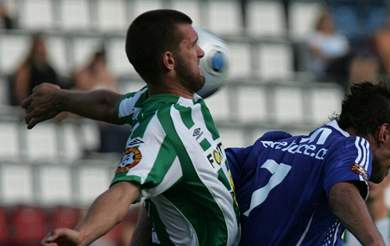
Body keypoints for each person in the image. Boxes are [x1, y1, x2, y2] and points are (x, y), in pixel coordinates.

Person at [26, 80, 390, 245]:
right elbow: (344, 191)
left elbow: (181, 180)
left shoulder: (274, 145)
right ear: (380, 134)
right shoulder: (351, 147)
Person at [38, 9, 240, 246]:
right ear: (169, 61)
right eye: (193, 45)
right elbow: (123, 192)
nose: (201, 52)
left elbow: (109, 104)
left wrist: (60, 99)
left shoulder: (158, 98)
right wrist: (83, 234)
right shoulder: (161, 129)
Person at [10, 33, 60, 105]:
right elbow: (21, 91)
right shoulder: (26, 68)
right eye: (40, 46)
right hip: (33, 106)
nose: (43, 49)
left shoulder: (50, 69)